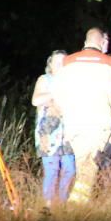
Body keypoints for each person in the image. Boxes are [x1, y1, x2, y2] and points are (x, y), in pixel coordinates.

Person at [51, 28, 111, 204]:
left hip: (74, 125)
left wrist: (67, 109)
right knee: (88, 173)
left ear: (85, 43)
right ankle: (75, 210)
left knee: (84, 169)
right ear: (102, 42)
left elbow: (56, 90)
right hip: (99, 127)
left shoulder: (68, 61)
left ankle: (79, 211)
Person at [31, 50, 75, 206]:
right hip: (48, 133)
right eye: (56, 62)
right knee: (52, 170)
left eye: (63, 62)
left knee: (70, 169)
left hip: (68, 132)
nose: (59, 65)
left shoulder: (72, 81)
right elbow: (35, 100)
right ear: (50, 64)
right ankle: (47, 206)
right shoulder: (45, 80)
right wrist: (54, 92)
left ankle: (63, 203)